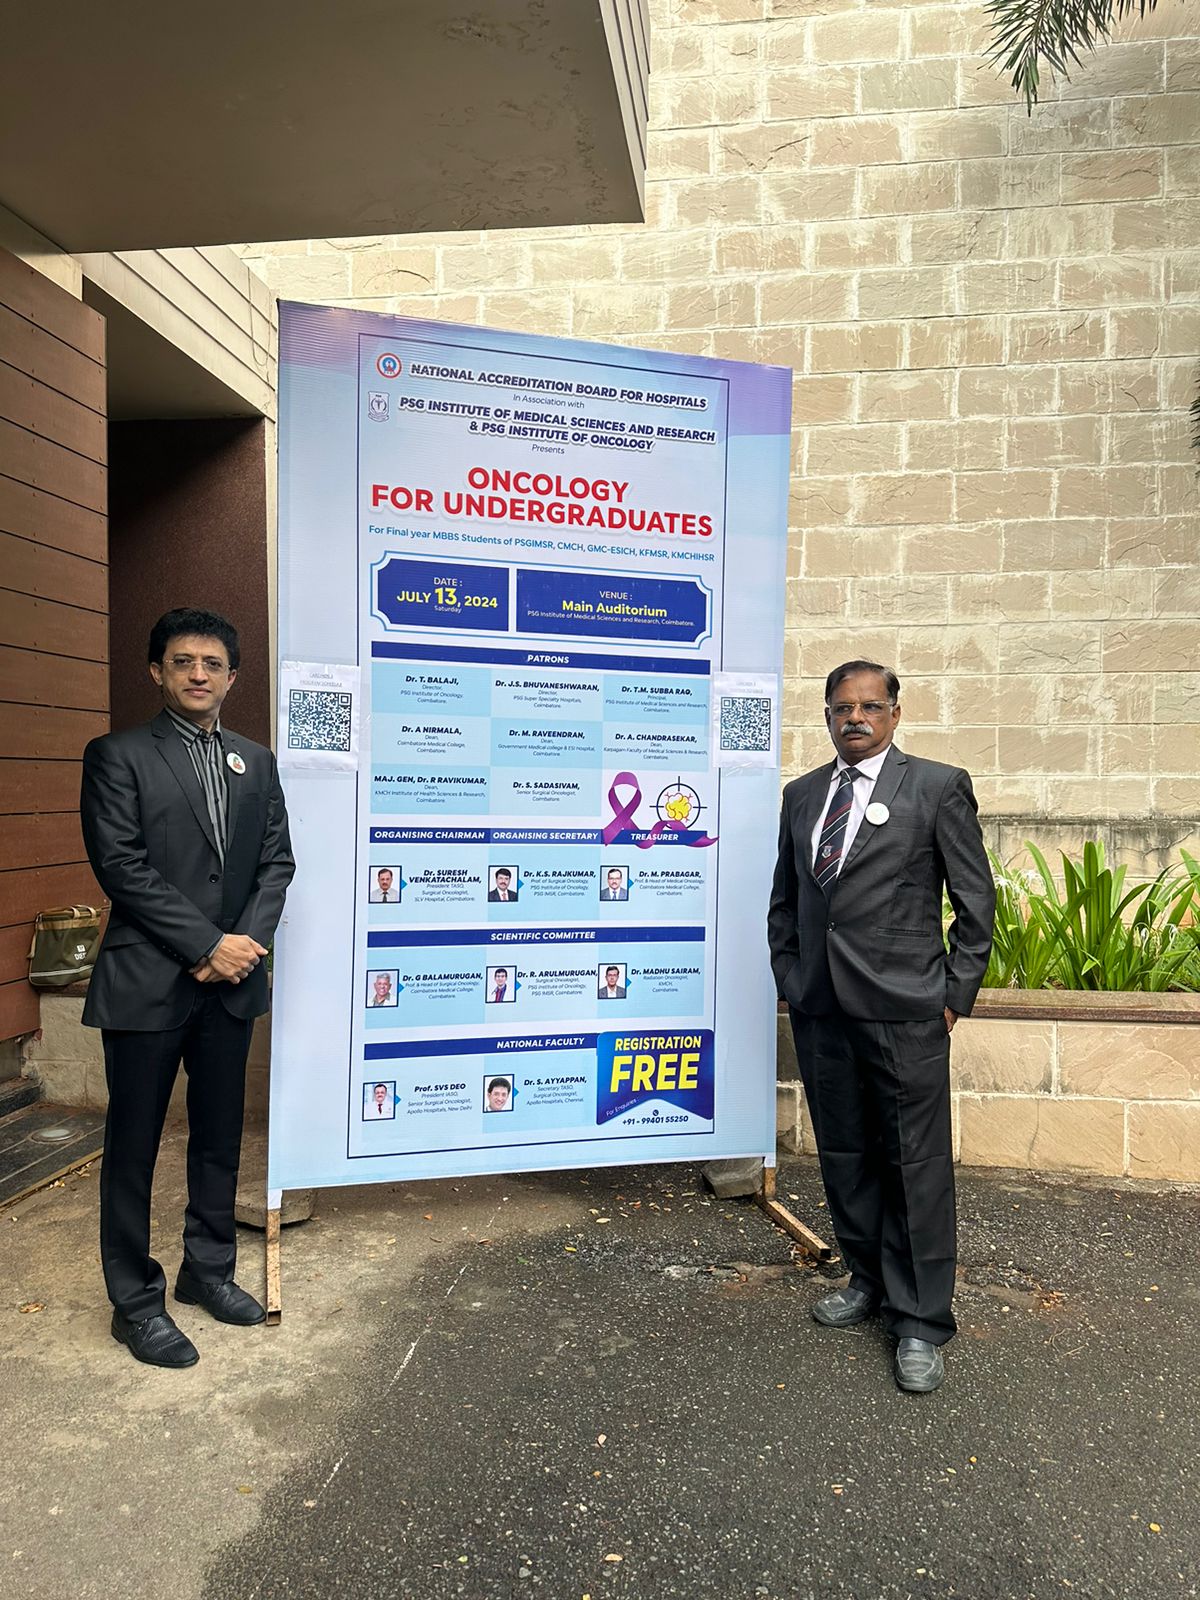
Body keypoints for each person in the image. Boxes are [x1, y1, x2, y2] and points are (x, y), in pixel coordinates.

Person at [767, 660, 994, 1395]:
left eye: (870, 706)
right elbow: (785, 901)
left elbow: (975, 903)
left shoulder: (936, 787)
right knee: (844, 1153)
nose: (855, 718)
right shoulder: (804, 795)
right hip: (822, 1008)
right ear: (827, 716)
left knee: (914, 1164)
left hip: (906, 1009)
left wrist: (952, 996)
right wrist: (792, 977)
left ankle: (920, 1320)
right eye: (842, 708)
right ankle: (867, 1279)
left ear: (895, 714)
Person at [80, 608, 295, 1370]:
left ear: (233, 677)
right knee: (133, 1147)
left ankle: (208, 1270)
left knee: (218, 1136)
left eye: (212, 663)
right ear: (157, 672)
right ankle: (135, 1303)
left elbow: (277, 863)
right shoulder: (117, 756)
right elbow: (121, 865)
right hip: (147, 982)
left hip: (230, 986)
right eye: (182, 662)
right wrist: (207, 944)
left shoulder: (256, 762)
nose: (198, 674)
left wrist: (241, 949)